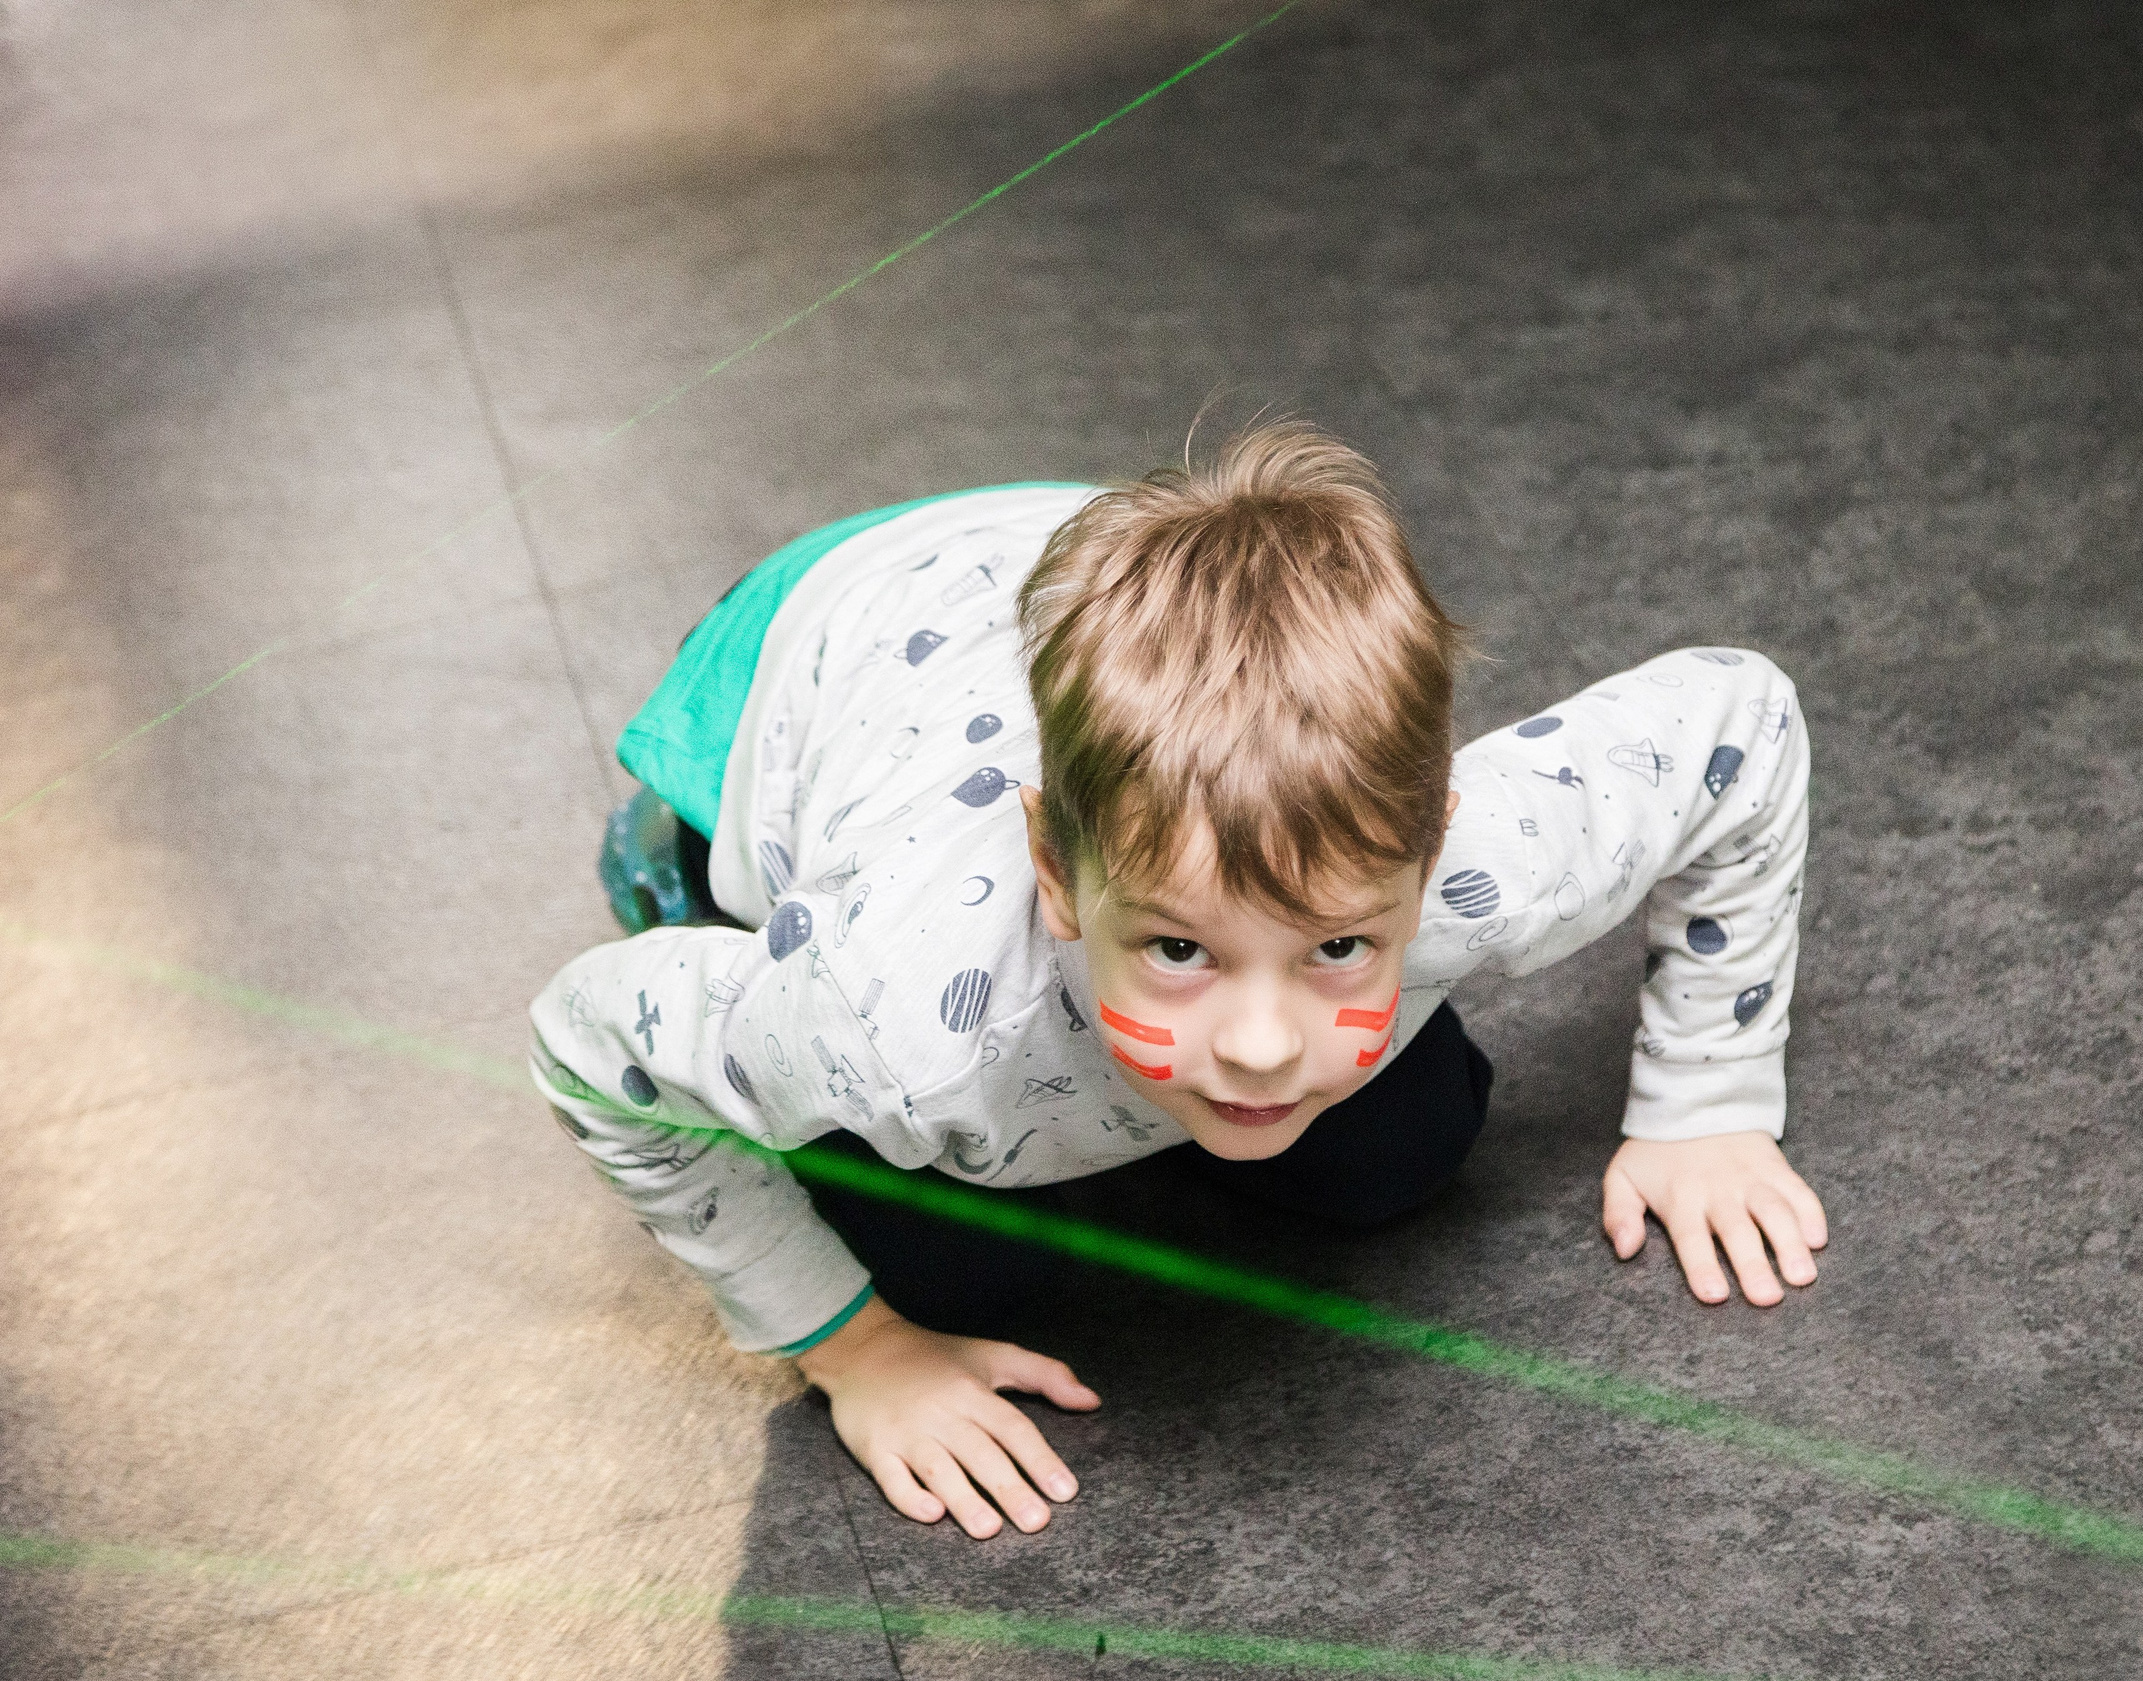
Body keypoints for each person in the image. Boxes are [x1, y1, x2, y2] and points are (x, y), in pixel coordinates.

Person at [528, 421, 1825, 1541]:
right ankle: (683, 855)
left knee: (1409, 1149)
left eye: (1337, 946)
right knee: (953, 1272)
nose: (1262, 1045)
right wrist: (854, 1349)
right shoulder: (891, 1018)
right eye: (1179, 949)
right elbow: (591, 1043)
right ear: (1054, 869)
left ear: (1430, 855)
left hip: (1126, 567)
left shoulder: (1490, 856)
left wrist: (1705, 1098)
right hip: (816, 637)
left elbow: (1740, 717)